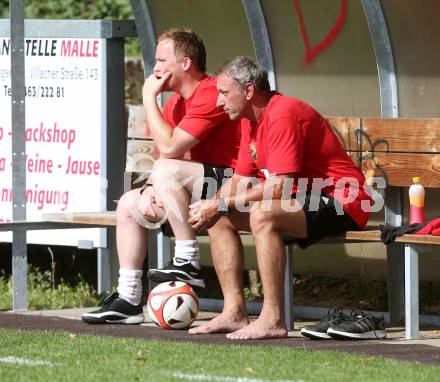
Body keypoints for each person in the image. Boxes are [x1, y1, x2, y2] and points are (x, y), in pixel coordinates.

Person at [187, 56, 372, 340]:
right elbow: (238, 180)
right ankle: (234, 312)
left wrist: (219, 203)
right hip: (302, 200)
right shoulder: (250, 120)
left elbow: (278, 187)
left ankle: (272, 318)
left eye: (224, 93)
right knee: (219, 218)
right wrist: (210, 206)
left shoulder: (283, 113)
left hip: (343, 199)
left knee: (262, 213)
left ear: (248, 91)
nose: (218, 102)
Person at [81, 28, 241, 325]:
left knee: (165, 172)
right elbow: (164, 156)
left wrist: (147, 96)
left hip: (236, 184)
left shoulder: (209, 92)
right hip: (198, 185)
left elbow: (169, 149)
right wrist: (152, 190)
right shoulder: (176, 102)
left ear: (185, 63)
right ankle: (128, 299)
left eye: (161, 60)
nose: (155, 68)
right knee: (130, 202)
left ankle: (188, 261)